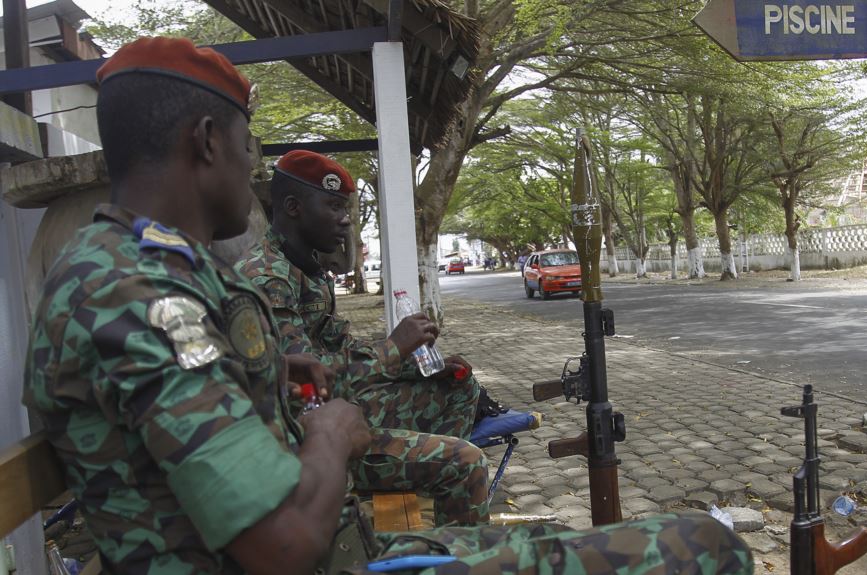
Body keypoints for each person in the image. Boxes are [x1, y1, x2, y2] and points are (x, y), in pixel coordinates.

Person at [23, 36, 753, 575]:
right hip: (323, 552)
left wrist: (276, 371)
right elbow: (281, 546)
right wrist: (333, 434)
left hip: (347, 540)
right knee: (706, 548)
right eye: (248, 149)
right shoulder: (139, 292)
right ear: (207, 142)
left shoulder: (139, 268)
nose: (251, 172)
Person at [236, 150, 488, 525]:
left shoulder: (304, 267)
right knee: (467, 462)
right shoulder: (269, 278)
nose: (345, 220)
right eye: (334, 207)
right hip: (310, 438)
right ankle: (437, 483)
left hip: (342, 409)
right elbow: (310, 384)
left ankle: (423, 482)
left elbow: (343, 350)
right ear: (293, 207)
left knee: (460, 386)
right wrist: (394, 346)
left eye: (347, 209)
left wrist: (410, 366)